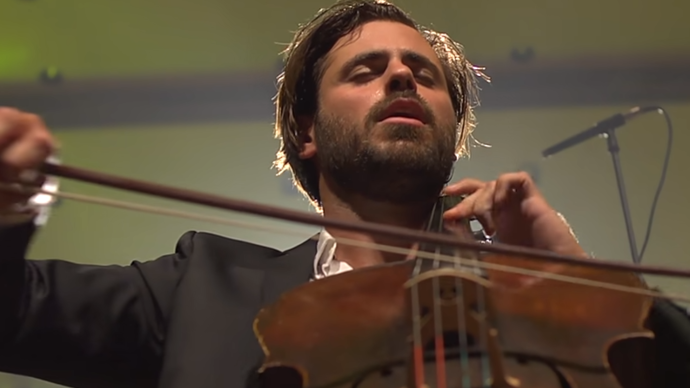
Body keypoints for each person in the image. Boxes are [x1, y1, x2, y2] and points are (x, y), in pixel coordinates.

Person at [0, 0, 688, 387]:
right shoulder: (200, 288)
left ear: (454, 128)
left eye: (422, 73)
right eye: (366, 70)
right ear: (307, 133)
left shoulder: (541, 299)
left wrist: (592, 283)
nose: (401, 78)